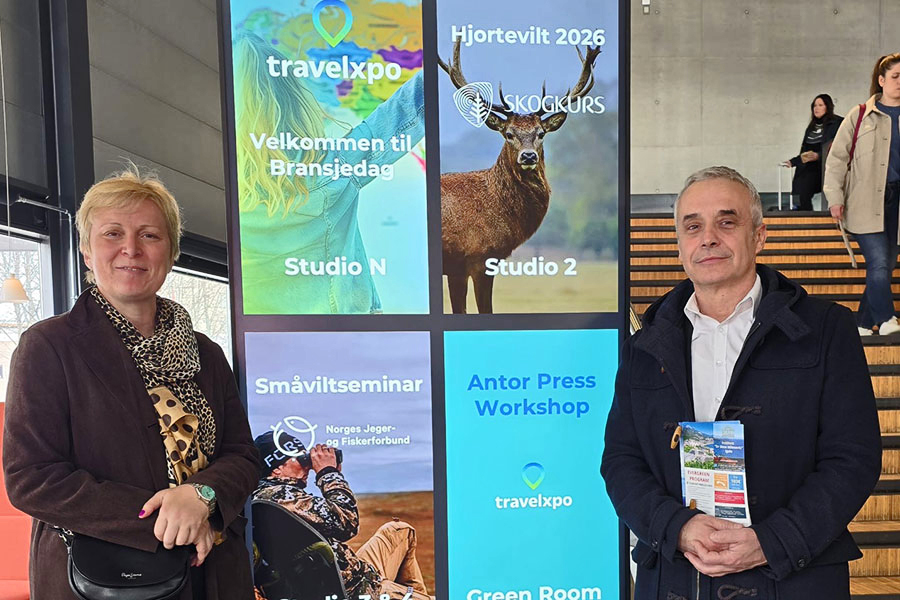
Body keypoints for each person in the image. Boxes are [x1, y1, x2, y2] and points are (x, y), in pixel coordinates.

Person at [601, 166, 882, 599]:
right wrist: (677, 528)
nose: (708, 238)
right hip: (676, 580)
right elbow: (621, 460)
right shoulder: (645, 344)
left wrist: (771, 542)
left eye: (727, 222)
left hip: (792, 582)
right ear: (679, 244)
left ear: (759, 235)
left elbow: (853, 459)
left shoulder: (826, 330)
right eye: (693, 226)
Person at [2, 168, 260, 599]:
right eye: (112, 233)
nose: (131, 249)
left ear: (172, 252)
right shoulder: (48, 347)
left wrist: (202, 496)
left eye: (149, 235)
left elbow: (242, 455)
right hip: (105, 578)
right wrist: (168, 518)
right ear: (87, 251)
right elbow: (32, 477)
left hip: (213, 574)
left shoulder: (206, 353)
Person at [234, 33, 425, 314]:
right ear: (292, 100)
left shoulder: (232, 200)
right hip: (349, 333)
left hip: (267, 337)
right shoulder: (332, 169)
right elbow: (409, 109)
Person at [252, 432, 429, 600]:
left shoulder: (263, 498)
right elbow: (346, 522)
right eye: (300, 459)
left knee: (399, 530)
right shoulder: (280, 497)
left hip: (352, 574)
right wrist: (328, 473)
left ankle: (410, 593)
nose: (308, 465)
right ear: (277, 468)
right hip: (357, 589)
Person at [824, 53, 900, 336]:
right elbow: (837, 160)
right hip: (865, 202)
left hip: (898, 205)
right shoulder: (859, 115)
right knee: (878, 262)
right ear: (881, 80)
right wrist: (835, 198)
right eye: (895, 76)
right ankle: (887, 319)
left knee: (886, 265)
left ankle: (863, 323)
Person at [782, 94, 842, 210]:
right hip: (809, 167)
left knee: (806, 185)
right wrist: (793, 162)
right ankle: (804, 214)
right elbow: (805, 152)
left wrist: (819, 156)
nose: (816, 108)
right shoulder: (812, 127)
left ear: (828, 107)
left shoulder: (837, 123)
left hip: (825, 167)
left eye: (820, 105)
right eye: (814, 105)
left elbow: (838, 148)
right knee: (800, 185)